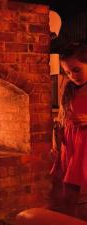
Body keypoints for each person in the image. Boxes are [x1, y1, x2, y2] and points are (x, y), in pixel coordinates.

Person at [49, 42, 87, 217]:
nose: (72, 76)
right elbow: (62, 118)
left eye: (76, 70)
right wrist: (56, 142)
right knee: (68, 189)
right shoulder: (70, 88)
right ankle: (67, 219)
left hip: (85, 142)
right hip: (71, 142)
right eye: (68, 72)